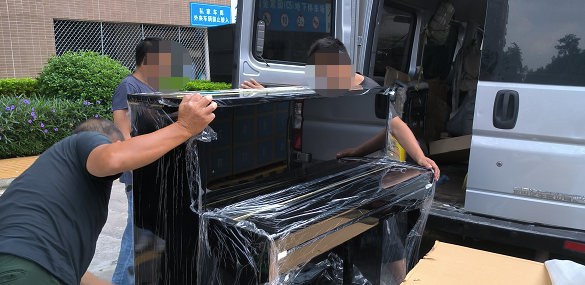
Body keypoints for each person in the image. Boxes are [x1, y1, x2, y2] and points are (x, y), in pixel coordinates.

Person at [0, 94, 216, 285]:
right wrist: (184, 127)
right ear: (113, 142)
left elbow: (67, 271)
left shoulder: (49, 187)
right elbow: (113, 158)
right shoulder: (85, 139)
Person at [241, 37, 440, 180]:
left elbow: (395, 126)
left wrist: (420, 158)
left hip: (366, 172)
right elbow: (300, 90)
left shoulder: (369, 89)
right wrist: (267, 92)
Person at [110, 38, 159, 285]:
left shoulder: (154, 87)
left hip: (156, 170)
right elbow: (124, 135)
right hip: (140, 173)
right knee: (135, 237)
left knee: (149, 235)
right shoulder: (128, 86)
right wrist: (139, 169)